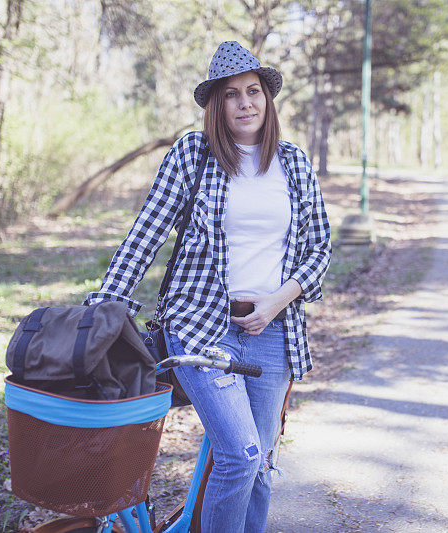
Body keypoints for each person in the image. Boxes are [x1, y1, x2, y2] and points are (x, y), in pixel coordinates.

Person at [84, 41, 332, 532]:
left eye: (253, 91)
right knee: (240, 456)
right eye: (232, 95)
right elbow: (147, 232)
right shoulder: (194, 154)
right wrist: (103, 310)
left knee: (260, 467)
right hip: (201, 326)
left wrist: (278, 301)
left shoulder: (294, 164)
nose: (245, 103)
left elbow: (320, 250)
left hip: (274, 334)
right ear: (216, 105)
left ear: (268, 98)